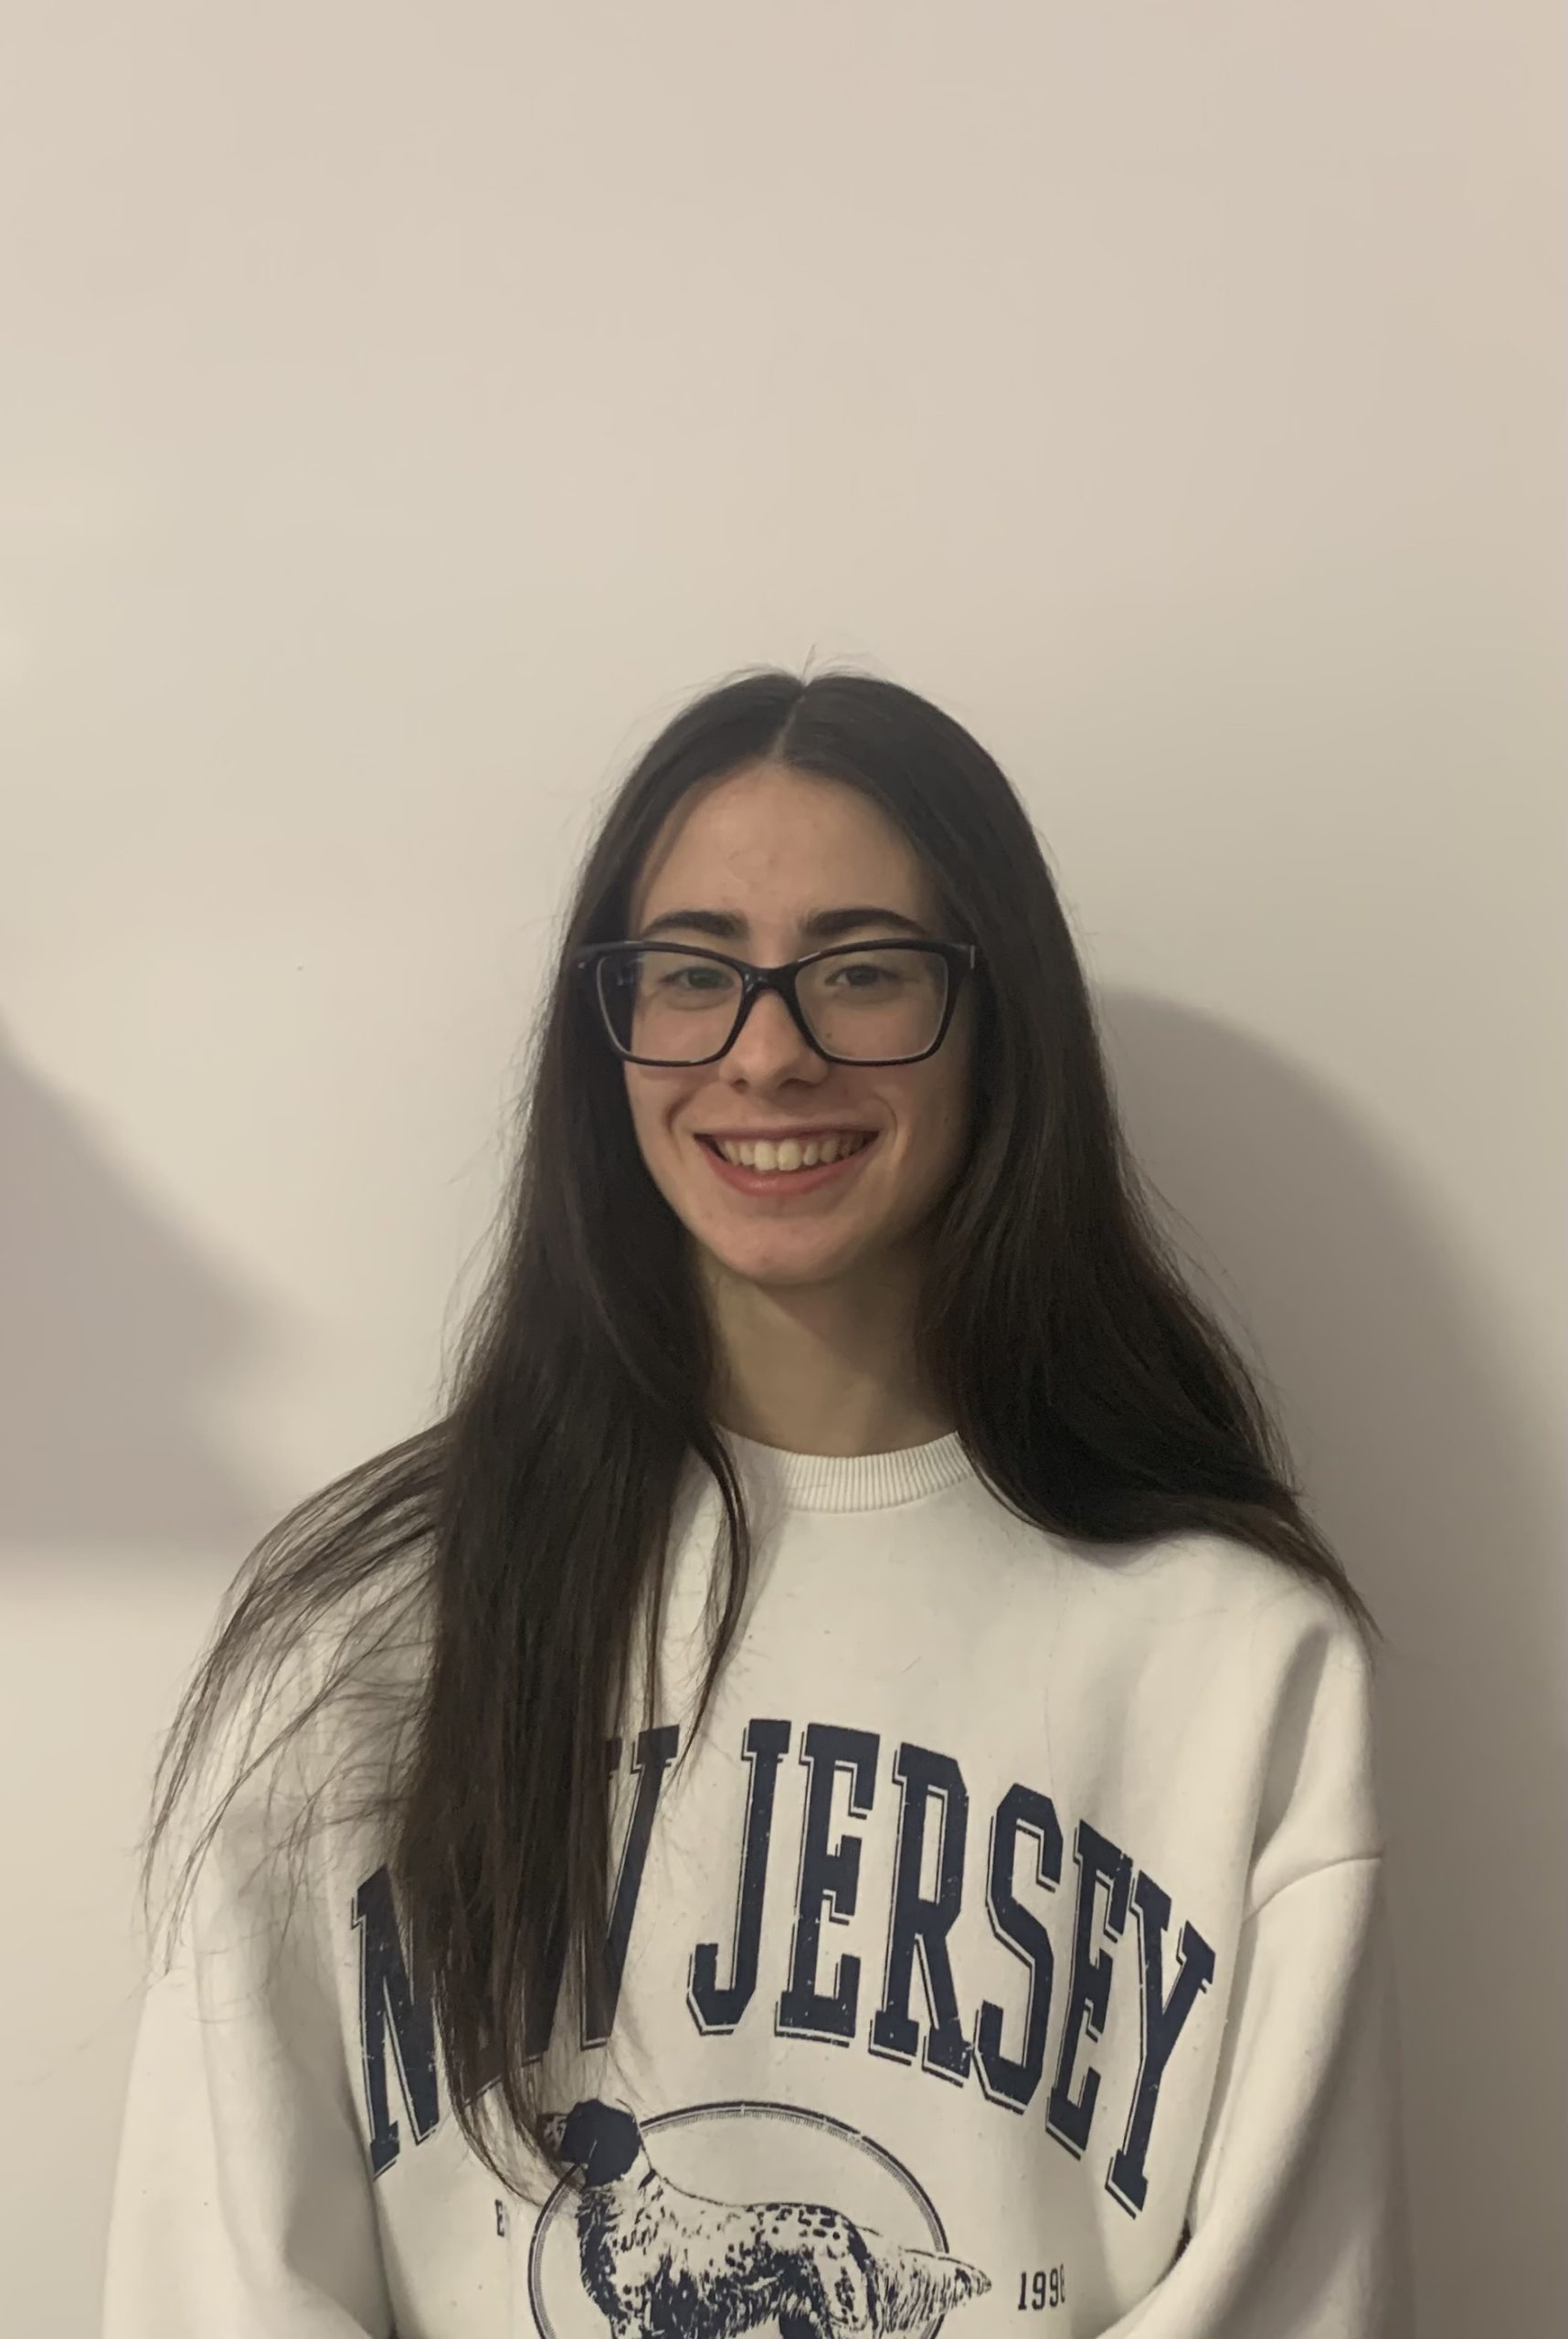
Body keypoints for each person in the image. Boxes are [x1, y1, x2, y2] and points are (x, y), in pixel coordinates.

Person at [102, 667, 1413, 2336]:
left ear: (996, 1017)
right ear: (610, 1029)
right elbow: (214, 2291)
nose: (769, 1052)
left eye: (861, 971)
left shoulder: (1238, 1667)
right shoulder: (361, 1644)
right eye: (691, 973)